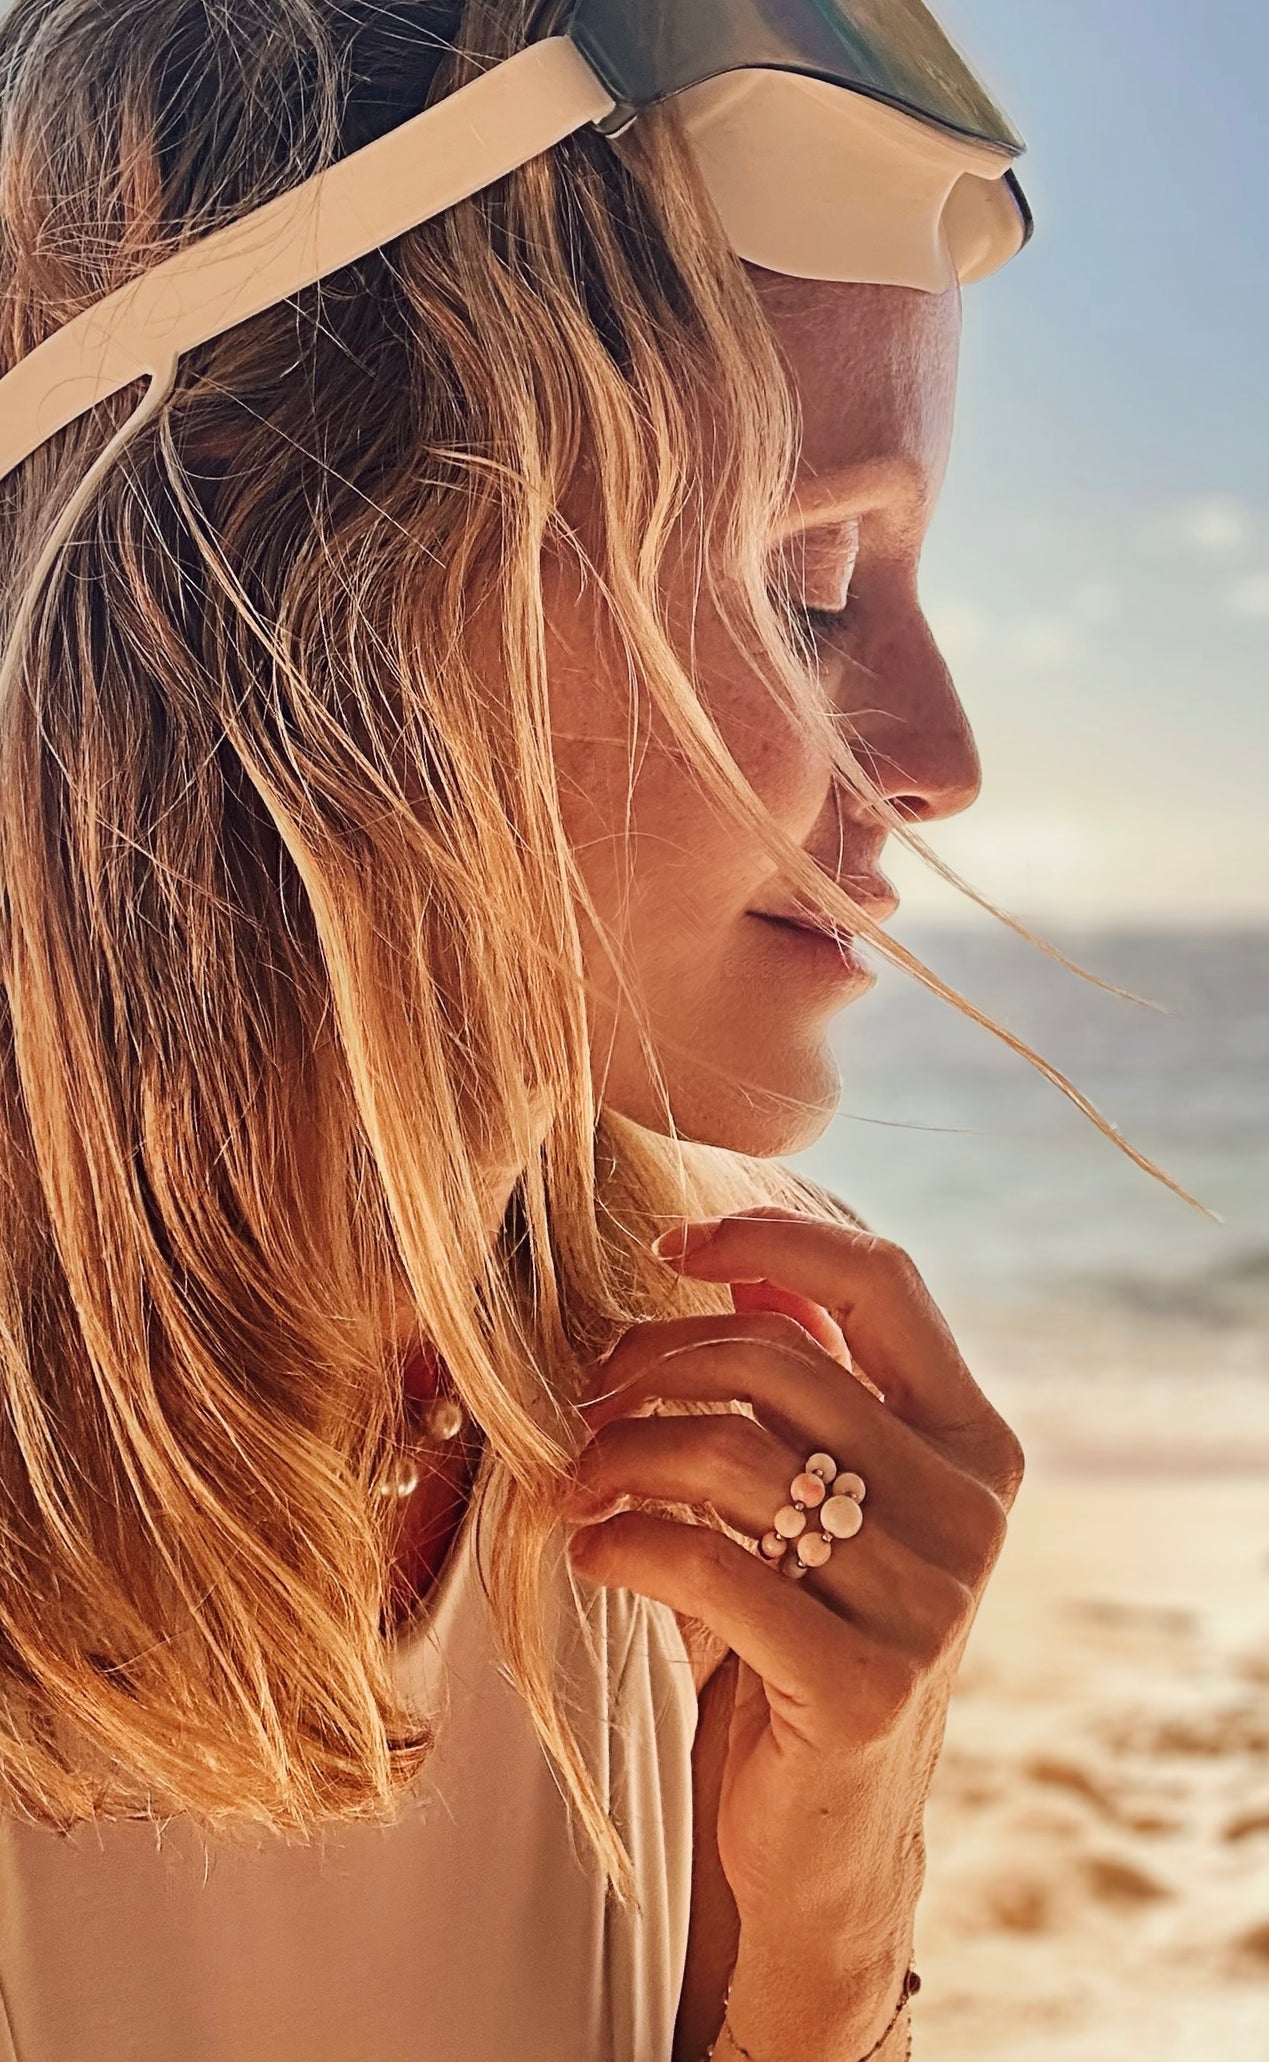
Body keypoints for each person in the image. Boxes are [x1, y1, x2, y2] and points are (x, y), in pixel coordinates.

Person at [0, 3, 1035, 2057]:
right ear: (308, 576)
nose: (943, 760)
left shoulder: (701, 1401)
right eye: (809, 580)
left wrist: (830, 1881)